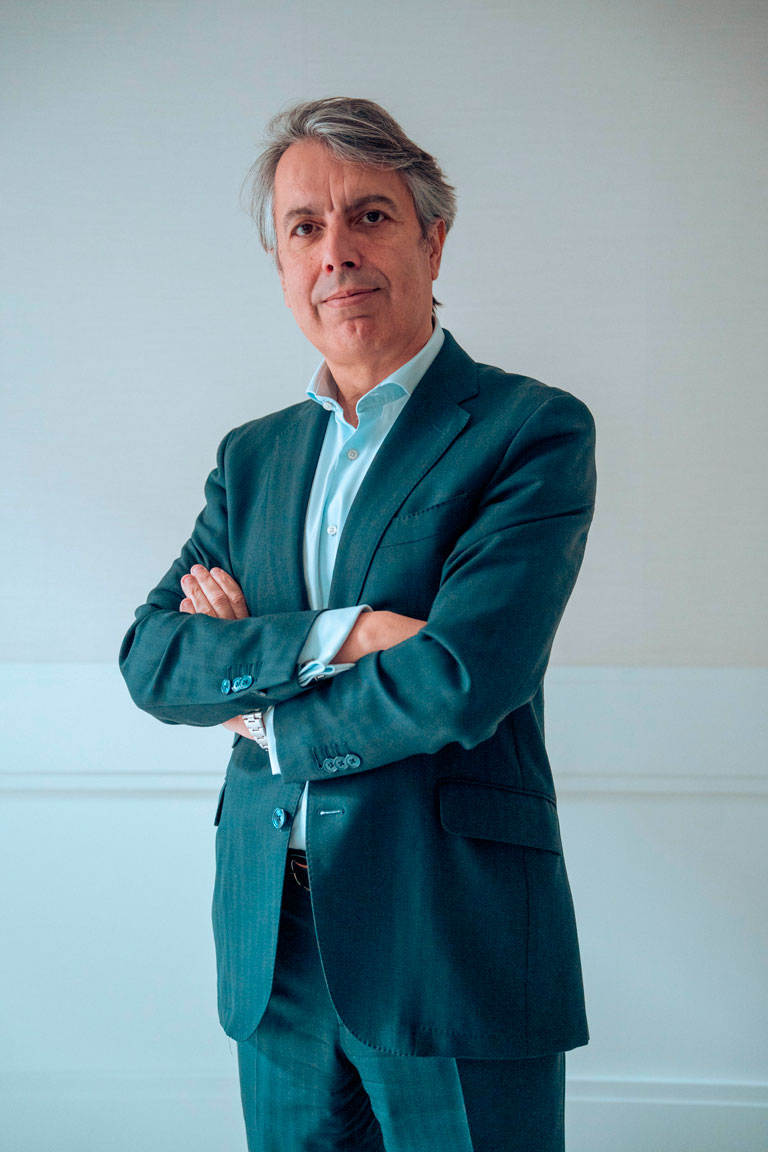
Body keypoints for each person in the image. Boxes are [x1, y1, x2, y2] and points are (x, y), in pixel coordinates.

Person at [119, 96, 597, 1152]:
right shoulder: (252, 458)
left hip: (447, 933)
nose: (335, 251)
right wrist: (338, 634)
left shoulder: (530, 430)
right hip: (273, 943)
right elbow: (153, 657)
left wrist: (262, 709)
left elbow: (464, 676)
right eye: (305, 227)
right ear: (282, 263)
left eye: (369, 216)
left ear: (433, 238)